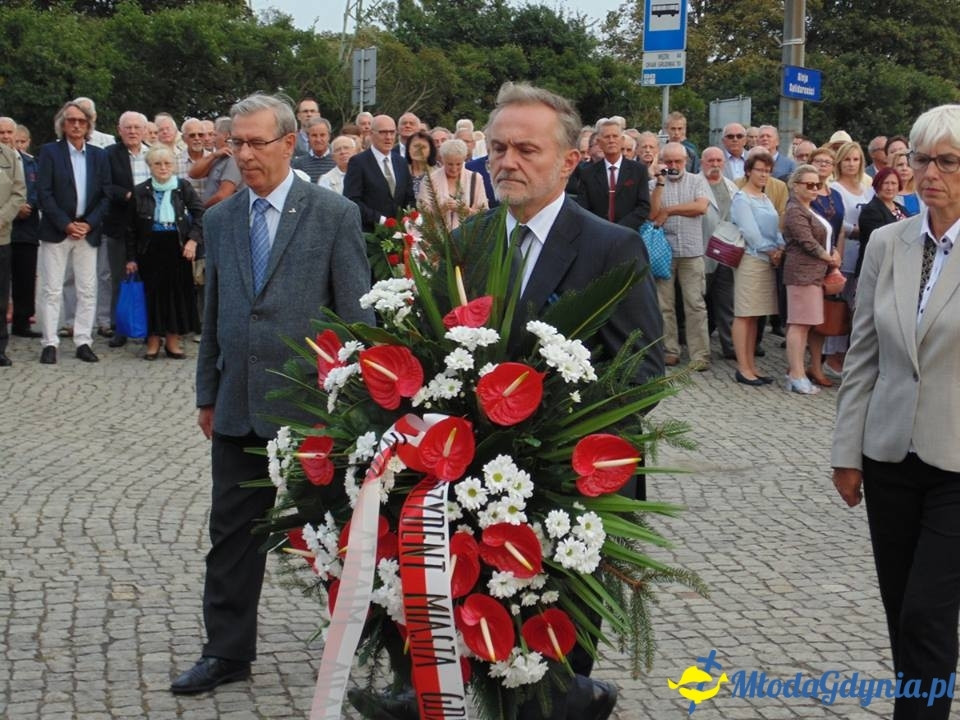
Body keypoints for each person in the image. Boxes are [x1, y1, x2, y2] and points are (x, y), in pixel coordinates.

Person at [362, 79, 661, 720]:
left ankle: (577, 699)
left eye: (526, 148)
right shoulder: (469, 243)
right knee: (475, 648)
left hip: (566, 495)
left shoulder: (612, 247)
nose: (506, 161)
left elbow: (642, 376)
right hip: (472, 488)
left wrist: (550, 426)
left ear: (570, 159)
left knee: (549, 675)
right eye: (497, 148)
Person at [171, 93, 373, 695]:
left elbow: (357, 315)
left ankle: (365, 645)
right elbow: (216, 315)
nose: (245, 154)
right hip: (238, 404)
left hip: (313, 411)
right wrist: (208, 392)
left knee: (340, 534)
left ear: (290, 143)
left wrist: (355, 404)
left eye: (257, 142)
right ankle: (226, 652)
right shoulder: (220, 218)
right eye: (237, 142)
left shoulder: (332, 214)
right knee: (232, 535)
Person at [831, 104, 960, 720]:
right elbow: (863, 354)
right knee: (900, 609)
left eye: (948, 162)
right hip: (888, 456)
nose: (929, 173)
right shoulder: (887, 241)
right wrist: (845, 453)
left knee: (927, 614)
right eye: (921, 159)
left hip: (957, 461)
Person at [36, 100, 110, 364]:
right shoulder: (49, 152)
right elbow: (43, 193)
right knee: (52, 289)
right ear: (63, 124)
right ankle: (50, 342)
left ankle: (83, 340)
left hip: (87, 230)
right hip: (57, 230)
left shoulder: (99, 155)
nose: (76, 125)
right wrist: (65, 224)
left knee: (87, 289)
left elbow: (105, 194)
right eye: (71, 120)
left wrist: (88, 223)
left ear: (89, 124)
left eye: (81, 121)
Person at [124, 145, 204, 360]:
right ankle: (152, 342)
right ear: (150, 166)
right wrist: (131, 258)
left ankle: (172, 342)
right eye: (157, 163)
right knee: (152, 296)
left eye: (167, 163)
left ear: (174, 165)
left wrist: (193, 241)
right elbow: (130, 228)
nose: (163, 168)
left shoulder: (183, 187)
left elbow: (200, 215)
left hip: (177, 248)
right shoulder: (140, 191)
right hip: (149, 249)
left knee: (176, 296)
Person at [650, 142, 711, 368]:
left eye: (678, 161)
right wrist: (659, 183)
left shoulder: (697, 181)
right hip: (663, 252)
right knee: (664, 304)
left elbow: (701, 207)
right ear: (662, 161)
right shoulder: (654, 183)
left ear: (686, 161)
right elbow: (653, 214)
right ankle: (669, 350)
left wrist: (670, 210)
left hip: (691, 251)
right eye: (669, 161)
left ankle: (700, 355)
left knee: (694, 303)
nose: (674, 165)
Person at [782, 164, 841, 393]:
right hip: (802, 273)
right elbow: (807, 241)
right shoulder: (795, 210)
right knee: (799, 324)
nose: (815, 188)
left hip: (814, 273)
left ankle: (795, 373)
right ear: (796, 186)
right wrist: (830, 258)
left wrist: (834, 251)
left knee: (803, 324)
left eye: (818, 184)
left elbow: (824, 237)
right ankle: (796, 374)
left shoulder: (809, 208)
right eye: (810, 184)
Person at [729, 150, 784, 385]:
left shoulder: (765, 197)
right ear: (749, 171)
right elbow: (750, 232)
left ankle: (752, 364)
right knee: (744, 314)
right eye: (760, 170)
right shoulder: (743, 198)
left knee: (755, 316)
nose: (764, 174)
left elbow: (775, 228)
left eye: (768, 171)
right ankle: (742, 367)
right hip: (751, 259)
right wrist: (771, 250)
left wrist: (780, 247)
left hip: (767, 260)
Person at [823, 141, 873, 376]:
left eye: (856, 159)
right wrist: (855, 228)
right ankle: (832, 356)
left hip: (865, 253)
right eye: (847, 159)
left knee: (856, 306)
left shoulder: (867, 189)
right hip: (844, 250)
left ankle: (851, 355)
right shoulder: (835, 188)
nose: (852, 164)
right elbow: (834, 218)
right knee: (838, 305)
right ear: (839, 162)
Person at [103, 111, 151, 349]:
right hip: (119, 224)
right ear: (119, 130)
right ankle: (119, 328)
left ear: (144, 130)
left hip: (148, 227)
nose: (132, 131)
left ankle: (148, 328)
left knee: (149, 277)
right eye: (127, 127)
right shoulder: (109, 155)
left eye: (136, 127)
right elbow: (104, 186)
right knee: (120, 279)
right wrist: (128, 195)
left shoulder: (153, 153)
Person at [699, 146, 740, 360]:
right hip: (702, 249)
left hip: (726, 251)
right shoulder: (695, 184)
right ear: (702, 162)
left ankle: (730, 346)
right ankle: (701, 347)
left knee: (727, 302)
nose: (715, 165)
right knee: (700, 302)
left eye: (718, 161)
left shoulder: (731, 187)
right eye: (710, 160)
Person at [344, 114, 416, 231]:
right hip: (370, 233)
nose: (388, 137)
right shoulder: (358, 162)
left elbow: (409, 198)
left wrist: (408, 218)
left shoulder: (401, 162)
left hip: (400, 234)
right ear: (371, 134)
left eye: (392, 132)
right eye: (383, 132)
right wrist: (381, 220)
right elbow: (352, 200)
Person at [575, 118, 650, 230]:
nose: (611, 140)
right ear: (599, 143)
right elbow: (583, 208)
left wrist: (619, 229)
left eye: (615, 136)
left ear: (622, 140)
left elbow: (643, 207)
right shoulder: (588, 174)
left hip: (628, 234)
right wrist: (603, 229)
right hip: (598, 234)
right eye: (607, 137)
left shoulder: (638, 170)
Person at [0, 119, 27, 366]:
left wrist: (1, 219)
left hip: (2, 234)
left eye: (8, 132)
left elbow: (19, 193)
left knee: (0, 295)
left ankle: (0, 347)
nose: (4, 136)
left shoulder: (11, 157)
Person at [417, 138, 487, 230]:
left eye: (458, 164)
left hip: (468, 238)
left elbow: (484, 214)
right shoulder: (430, 180)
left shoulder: (475, 178)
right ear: (442, 160)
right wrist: (442, 208)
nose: (454, 169)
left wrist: (465, 210)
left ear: (464, 159)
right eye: (450, 164)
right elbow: (423, 216)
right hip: (438, 239)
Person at [11, 124, 40, 339]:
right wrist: (14, 208)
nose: (18, 145)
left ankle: (23, 321)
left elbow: (40, 190)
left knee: (26, 277)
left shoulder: (33, 164)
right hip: (6, 225)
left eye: (22, 141)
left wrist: (28, 205)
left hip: (28, 228)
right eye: (15, 140)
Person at [855, 168, 908, 277]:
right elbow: (880, 241)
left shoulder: (902, 209)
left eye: (893, 183)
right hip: (877, 269)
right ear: (877, 185)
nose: (890, 187)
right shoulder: (871, 210)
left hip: (899, 267)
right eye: (885, 183)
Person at [890, 150, 922, 216]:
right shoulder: (887, 193)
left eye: (909, 165)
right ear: (892, 168)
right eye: (900, 165)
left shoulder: (921, 192)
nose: (904, 169)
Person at [404, 129, 435, 197]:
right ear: (408, 149)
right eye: (415, 146)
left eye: (423, 147)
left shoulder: (437, 173)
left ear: (430, 151)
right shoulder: (400, 171)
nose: (419, 150)